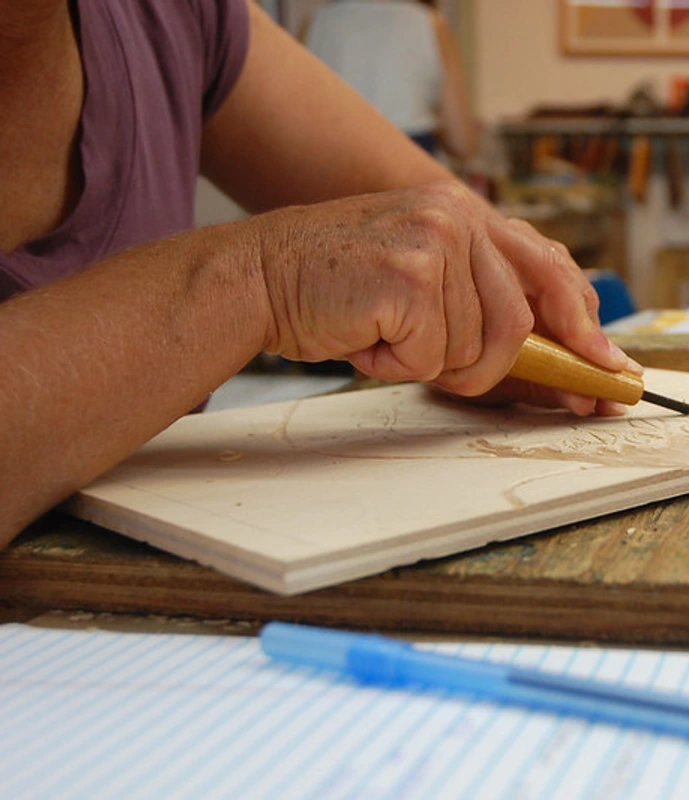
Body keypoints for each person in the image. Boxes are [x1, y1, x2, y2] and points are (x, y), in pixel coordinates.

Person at [0, 0, 636, 550]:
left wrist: (489, 314)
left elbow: (478, 262)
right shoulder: (423, 24)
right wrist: (261, 282)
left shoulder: (168, 16)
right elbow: (458, 140)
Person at [304, 0, 478, 160]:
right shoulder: (431, 25)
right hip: (410, 166)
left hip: (337, 167)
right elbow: (461, 143)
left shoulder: (318, 22)